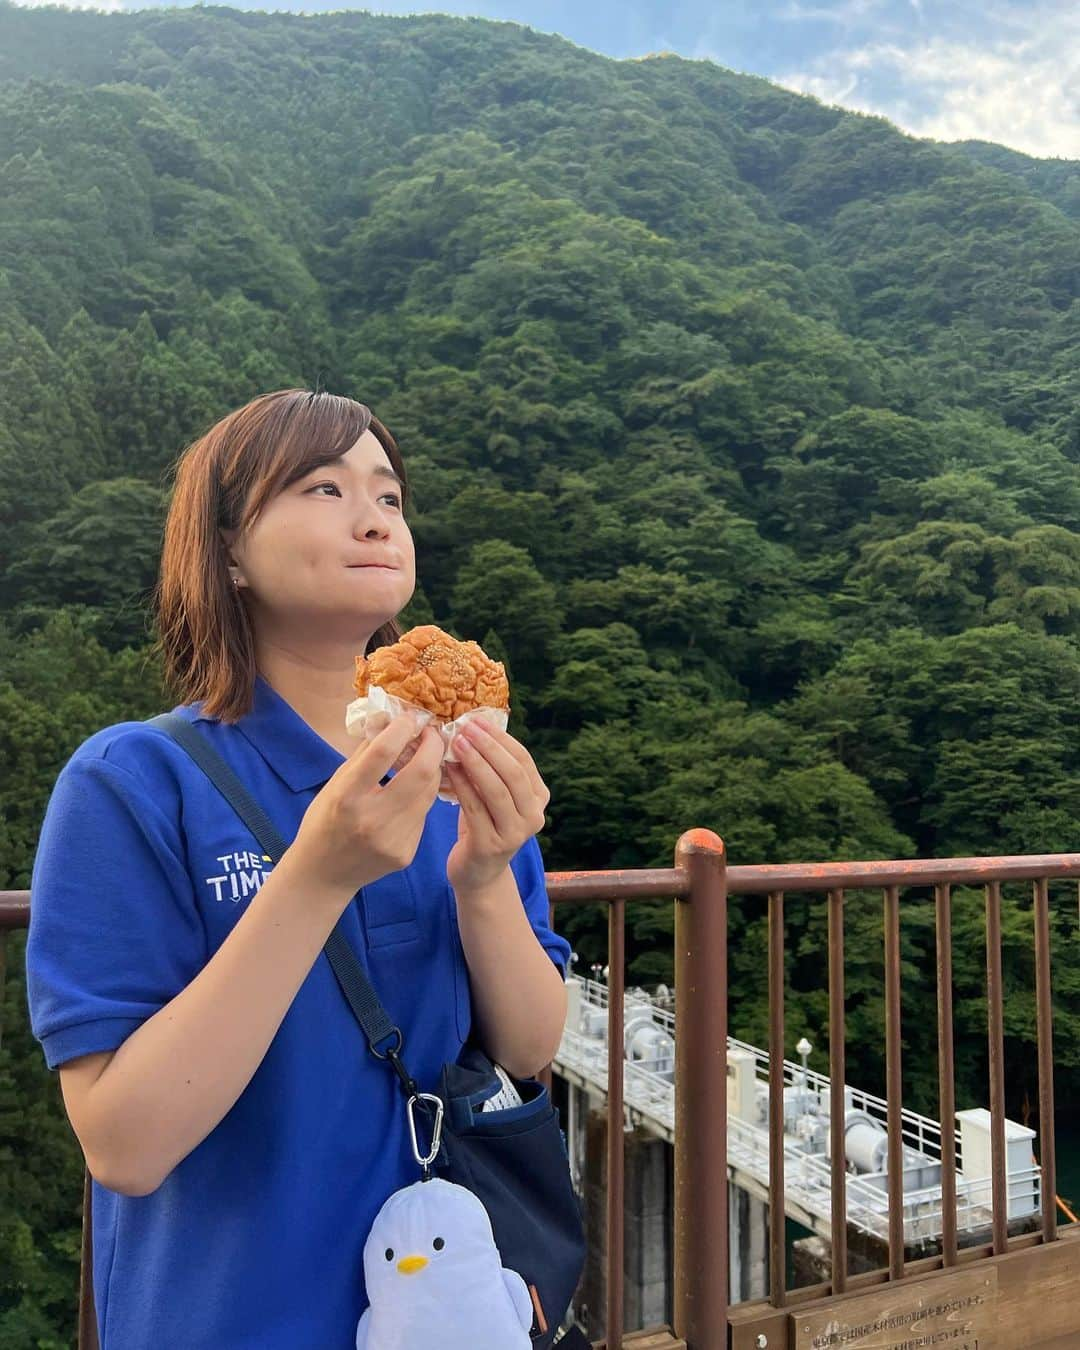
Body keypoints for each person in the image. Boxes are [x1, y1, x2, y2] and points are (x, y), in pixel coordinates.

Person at [25, 389, 572, 1349]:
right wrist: (318, 874)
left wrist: (486, 878)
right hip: (233, 1316)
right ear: (229, 549)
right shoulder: (135, 781)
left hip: (446, 1321)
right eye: (323, 487)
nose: (374, 517)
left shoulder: (453, 763)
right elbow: (125, 1142)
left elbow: (528, 1048)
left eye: (390, 496)